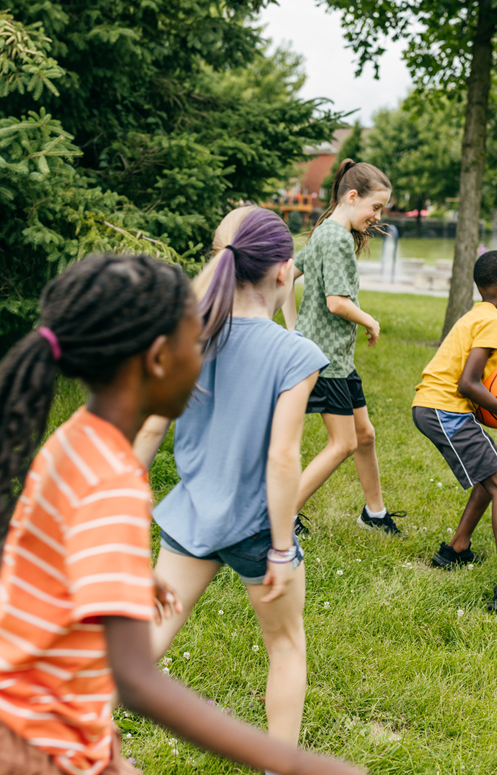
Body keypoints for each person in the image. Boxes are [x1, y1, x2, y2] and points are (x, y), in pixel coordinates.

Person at [0, 255, 361, 775]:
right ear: (160, 359)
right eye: (195, 345)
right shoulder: (111, 482)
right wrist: (294, 763)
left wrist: (132, 574)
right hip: (24, 740)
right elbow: (136, 680)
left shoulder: (81, 439)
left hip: (26, 711)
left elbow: (64, 548)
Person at [132, 207, 328, 748]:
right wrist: (284, 550)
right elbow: (283, 459)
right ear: (285, 272)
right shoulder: (297, 353)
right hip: (259, 531)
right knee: (286, 647)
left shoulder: (190, 337)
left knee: (148, 638)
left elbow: (150, 429)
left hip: (192, 515)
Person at [411, 251, 497, 613]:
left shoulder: (479, 314)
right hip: (443, 411)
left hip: (441, 407)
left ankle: (457, 548)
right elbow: (468, 383)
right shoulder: (493, 321)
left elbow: (466, 383)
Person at [284, 159, 403, 537]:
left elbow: (286, 275)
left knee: (364, 435)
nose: (377, 216)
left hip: (337, 359)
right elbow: (337, 302)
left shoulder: (325, 233)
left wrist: (294, 329)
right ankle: (279, 518)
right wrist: (368, 319)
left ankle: (375, 513)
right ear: (353, 197)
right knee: (343, 443)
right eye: (375, 207)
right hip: (327, 362)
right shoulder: (334, 238)